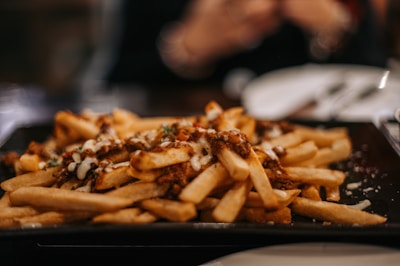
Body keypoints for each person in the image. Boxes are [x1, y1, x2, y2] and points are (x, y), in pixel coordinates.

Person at [104, 0, 390, 92]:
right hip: (184, 142)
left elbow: (377, 78)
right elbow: (121, 81)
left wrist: (332, 26)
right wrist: (185, 50)